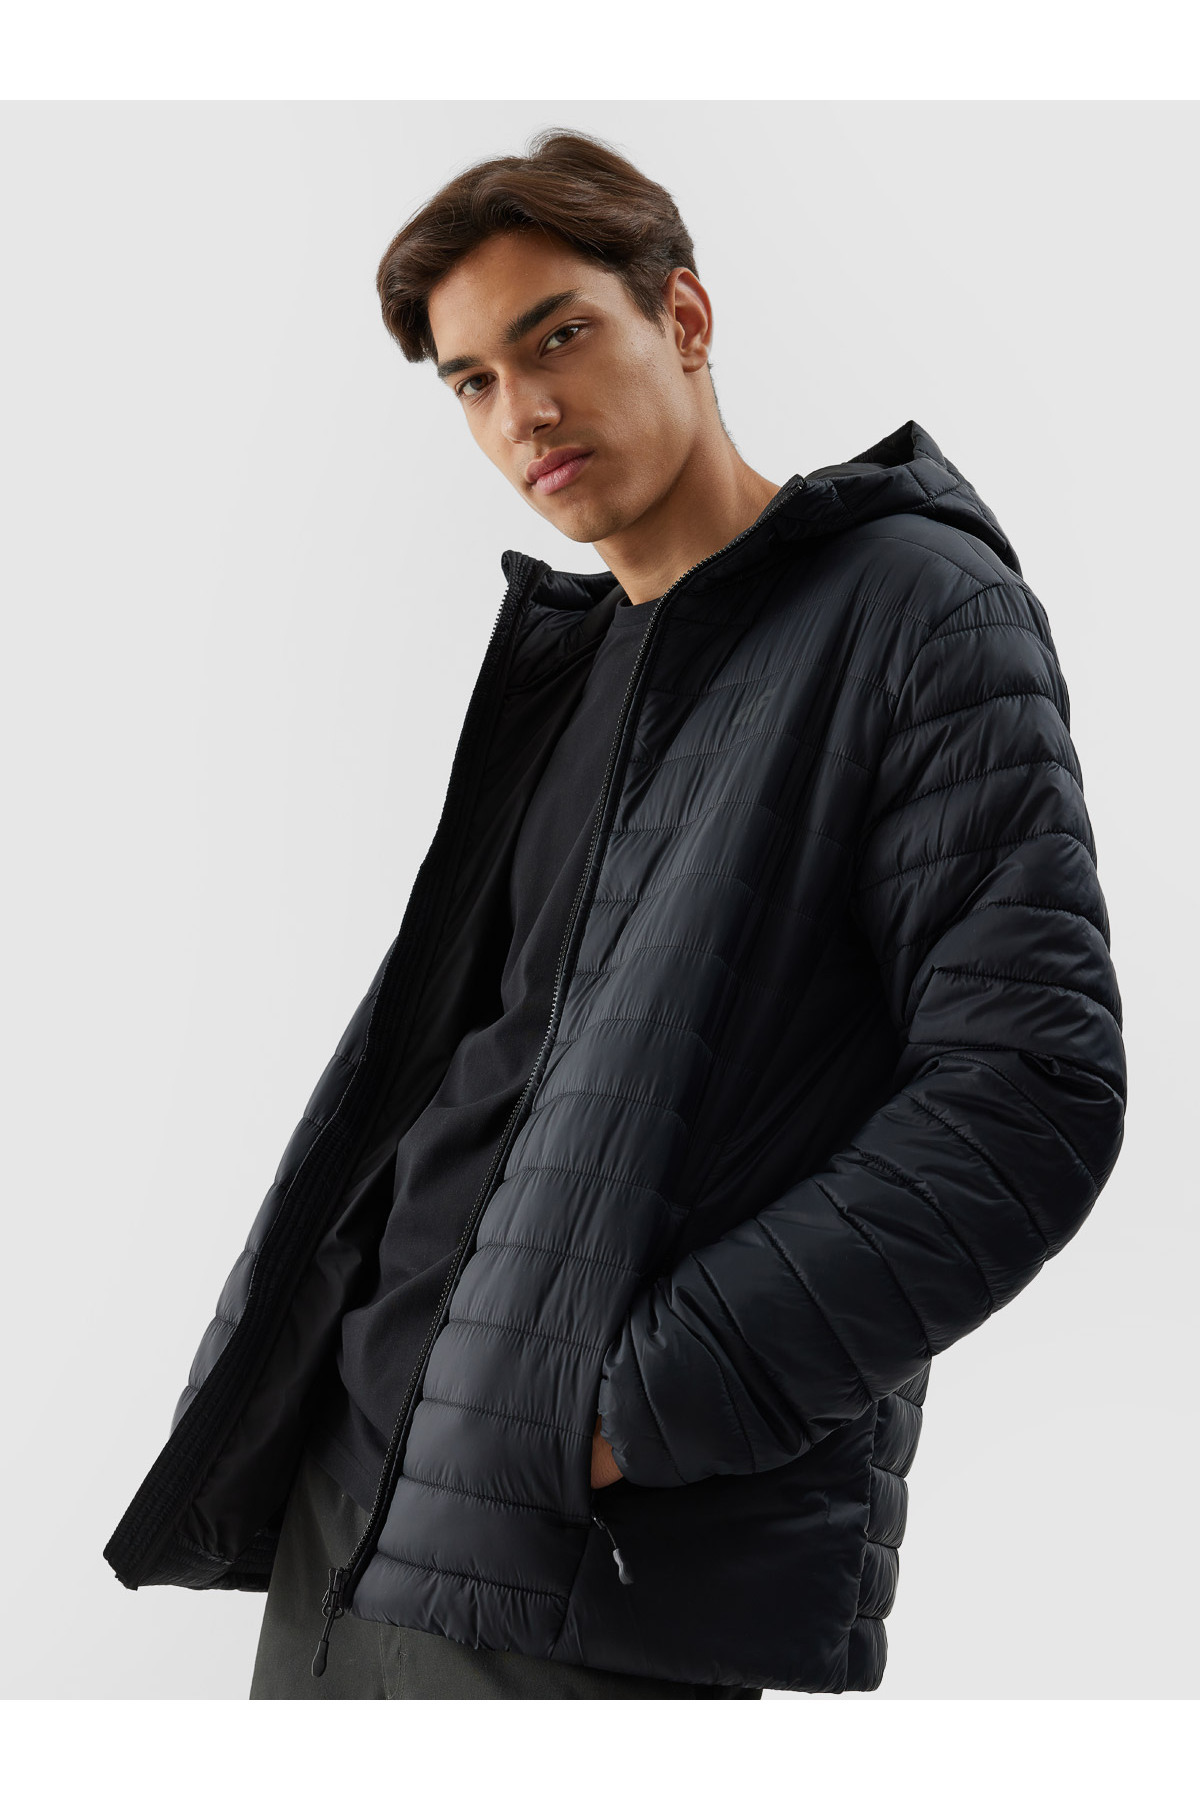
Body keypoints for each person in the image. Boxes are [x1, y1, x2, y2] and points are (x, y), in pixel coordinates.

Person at [104, 128, 1127, 1701]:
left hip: (582, 1559)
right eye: (472, 382)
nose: (522, 411)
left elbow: (1027, 1103)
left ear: (685, 317)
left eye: (559, 337)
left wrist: (631, 1409)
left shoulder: (915, 609)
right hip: (354, 1507)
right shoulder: (576, 665)